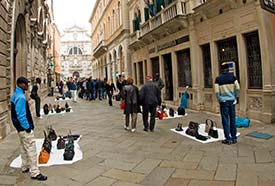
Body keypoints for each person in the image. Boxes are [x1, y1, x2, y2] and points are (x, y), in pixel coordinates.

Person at [11, 77, 47, 181]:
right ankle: (35, 172)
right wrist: (27, 127)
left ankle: (25, 166)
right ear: (21, 84)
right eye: (26, 84)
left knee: (23, 147)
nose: (28, 86)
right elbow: (21, 115)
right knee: (31, 148)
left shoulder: (15, 95)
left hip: (18, 127)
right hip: (23, 128)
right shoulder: (21, 97)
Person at [214, 62, 240, 145]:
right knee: (232, 119)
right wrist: (235, 97)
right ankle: (234, 137)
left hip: (224, 102)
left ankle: (228, 139)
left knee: (225, 120)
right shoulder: (233, 77)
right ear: (228, 69)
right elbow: (238, 88)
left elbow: (217, 92)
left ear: (221, 69)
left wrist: (220, 100)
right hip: (232, 101)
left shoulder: (218, 79)